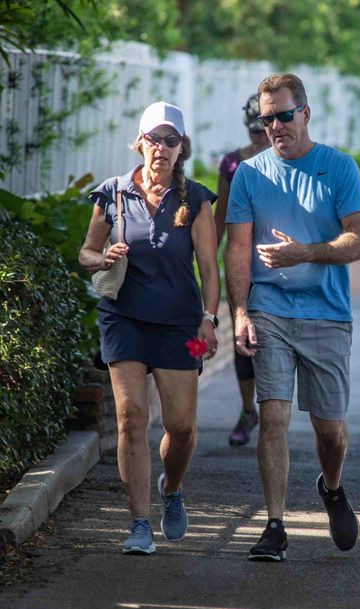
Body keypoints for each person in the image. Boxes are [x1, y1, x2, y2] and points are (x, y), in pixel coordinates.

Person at [225, 73, 360, 561]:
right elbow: (237, 249)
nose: (275, 126)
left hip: (327, 313)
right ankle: (275, 525)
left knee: (330, 431)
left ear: (305, 114)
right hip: (269, 308)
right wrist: (240, 312)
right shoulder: (250, 174)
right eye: (266, 119)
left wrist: (306, 252)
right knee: (273, 415)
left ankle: (331, 487)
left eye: (284, 116)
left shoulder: (338, 167)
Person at [79, 101, 220, 554]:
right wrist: (104, 258)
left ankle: (172, 488)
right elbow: (86, 252)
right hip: (124, 318)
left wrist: (209, 319)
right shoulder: (114, 193)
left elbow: (209, 269)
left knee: (181, 428)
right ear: (140, 143)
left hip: (181, 324)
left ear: (182, 148)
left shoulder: (196, 199)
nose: (161, 147)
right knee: (131, 416)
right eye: (154, 139)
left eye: (170, 140)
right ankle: (139, 523)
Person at [214, 93, 271, 447]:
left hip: (276, 263)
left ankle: (273, 411)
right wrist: (206, 260)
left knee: (275, 339)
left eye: (263, 130)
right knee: (243, 338)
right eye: (253, 131)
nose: (259, 137)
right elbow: (220, 216)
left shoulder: (286, 160)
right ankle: (249, 409)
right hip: (241, 263)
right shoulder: (232, 164)